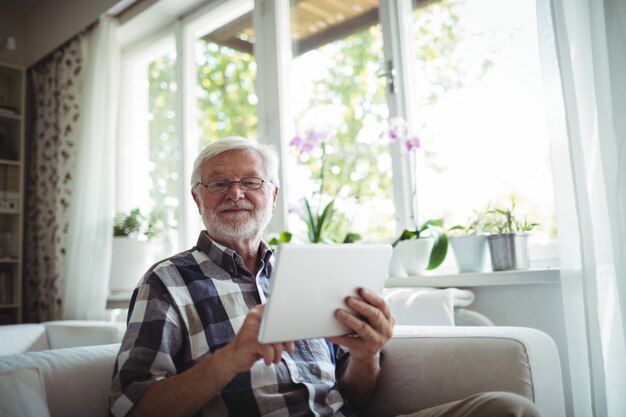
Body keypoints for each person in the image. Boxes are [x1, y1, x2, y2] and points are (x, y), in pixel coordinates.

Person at [110, 136, 541, 417]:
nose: (235, 193)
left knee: (507, 409)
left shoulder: (309, 272)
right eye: (218, 183)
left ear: (272, 196)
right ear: (196, 198)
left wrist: (367, 354)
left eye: (250, 182)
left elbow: (356, 397)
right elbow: (131, 409)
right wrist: (231, 358)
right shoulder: (166, 280)